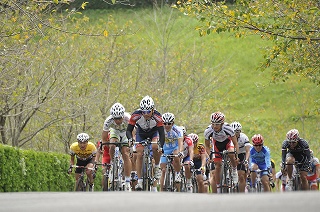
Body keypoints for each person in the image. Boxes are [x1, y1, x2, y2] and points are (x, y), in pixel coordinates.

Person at [126, 95, 165, 191]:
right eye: (144, 112)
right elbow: (128, 131)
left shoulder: (158, 116)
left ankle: (156, 167)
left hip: (154, 132)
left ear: (153, 110)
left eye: (148, 112)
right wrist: (130, 139)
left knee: (155, 146)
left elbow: (162, 133)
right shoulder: (136, 115)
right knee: (139, 153)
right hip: (141, 133)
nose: (146, 114)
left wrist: (161, 146)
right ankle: (139, 181)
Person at [204, 111, 240, 193]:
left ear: (222, 123)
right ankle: (218, 186)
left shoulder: (228, 128)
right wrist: (210, 156)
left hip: (227, 143)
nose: (214, 126)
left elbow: (235, 143)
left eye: (217, 124)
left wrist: (236, 156)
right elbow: (207, 146)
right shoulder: (208, 130)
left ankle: (234, 170)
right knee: (217, 166)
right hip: (217, 145)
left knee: (231, 152)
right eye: (213, 124)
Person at [101, 102, 132, 191]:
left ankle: (127, 181)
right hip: (115, 132)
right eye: (115, 119)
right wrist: (103, 144)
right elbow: (104, 136)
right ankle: (113, 163)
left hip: (126, 132)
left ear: (122, 116)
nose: (118, 121)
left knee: (125, 153)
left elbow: (133, 132)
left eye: (119, 118)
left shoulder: (128, 118)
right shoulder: (108, 121)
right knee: (112, 145)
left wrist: (131, 143)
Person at [159, 113, 184, 191]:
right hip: (165, 149)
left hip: (174, 148)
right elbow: (157, 140)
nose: (167, 125)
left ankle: (177, 174)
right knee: (163, 170)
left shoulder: (178, 130)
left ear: (173, 123)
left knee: (176, 155)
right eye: (165, 123)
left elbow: (180, 143)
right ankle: (161, 189)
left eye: (169, 124)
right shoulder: (160, 129)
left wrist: (180, 151)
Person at [230, 121, 250, 193]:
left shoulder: (244, 137)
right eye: (234, 132)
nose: (235, 134)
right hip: (231, 154)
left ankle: (241, 194)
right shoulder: (228, 137)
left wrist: (246, 160)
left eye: (237, 132)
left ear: (240, 131)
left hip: (242, 154)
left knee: (241, 176)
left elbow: (248, 151)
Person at [180, 126, 194, 192]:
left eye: (182, 135)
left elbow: (191, 151)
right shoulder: (175, 139)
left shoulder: (188, 140)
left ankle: (188, 182)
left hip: (186, 156)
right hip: (179, 156)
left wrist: (191, 160)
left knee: (186, 165)